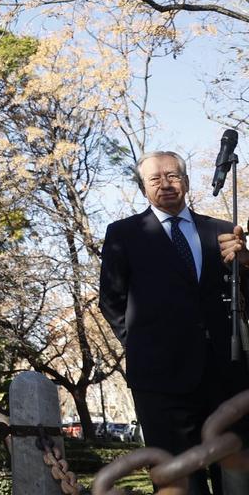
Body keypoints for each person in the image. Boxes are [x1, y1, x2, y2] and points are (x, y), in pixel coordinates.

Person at [99, 151, 249, 495]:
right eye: (155, 179)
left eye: (173, 176)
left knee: (239, 481)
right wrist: (144, 345)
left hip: (227, 378)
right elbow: (111, 301)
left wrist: (246, 262)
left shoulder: (224, 232)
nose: (165, 184)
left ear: (186, 181)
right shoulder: (124, 234)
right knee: (180, 484)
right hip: (160, 385)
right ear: (143, 188)